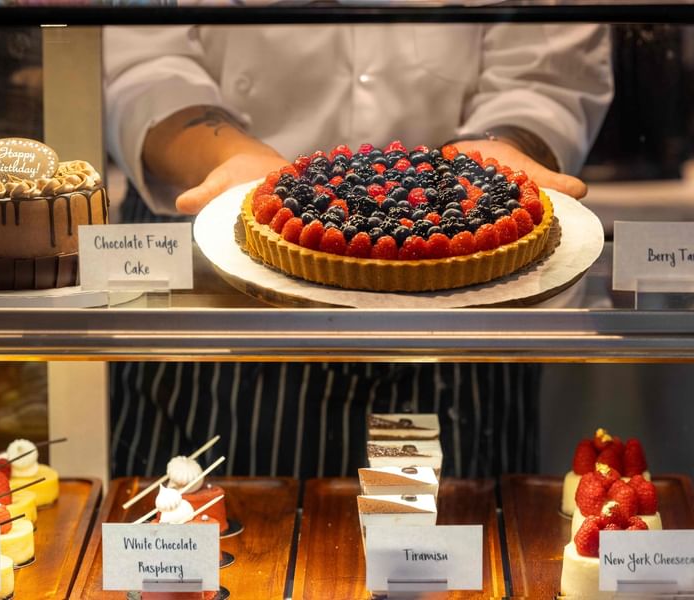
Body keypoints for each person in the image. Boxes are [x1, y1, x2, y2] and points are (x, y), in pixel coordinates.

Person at [104, 23, 613, 479]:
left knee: (455, 543)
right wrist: (229, 156)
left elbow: (548, 69)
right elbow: (143, 57)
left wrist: (499, 159)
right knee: (201, 533)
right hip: (227, 315)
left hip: (462, 322)